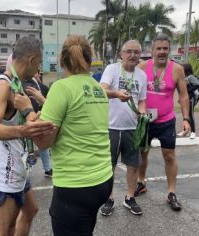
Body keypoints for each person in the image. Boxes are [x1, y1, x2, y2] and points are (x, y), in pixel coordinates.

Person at [30, 35, 113, 235]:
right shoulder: (98, 89)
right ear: (89, 59)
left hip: (75, 185)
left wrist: (28, 115)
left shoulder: (61, 87)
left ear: (61, 61)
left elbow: (43, 141)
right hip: (103, 179)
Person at [0, 36, 55, 235]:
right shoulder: (3, 85)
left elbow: (19, 118)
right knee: (6, 228)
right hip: (5, 173)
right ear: (32, 60)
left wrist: (32, 113)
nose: (39, 69)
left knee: (31, 210)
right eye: (39, 63)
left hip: (19, 166)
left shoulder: (15, 83)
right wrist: (22, 131)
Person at [136, 34, 190, 211]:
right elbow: (133, 90)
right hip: (145, 121)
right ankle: (141, 182)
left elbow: (183, 96)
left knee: (169, 155)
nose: (161, 52)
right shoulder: (142, 67)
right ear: (152, 50)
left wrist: (186, 119)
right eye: (158, 48)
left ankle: (171, 192)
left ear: (169, 50)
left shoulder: (177, 69)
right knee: (143, 153)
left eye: (165, 48)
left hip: (166, 121)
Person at [99, 40, 147, 216]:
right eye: (129, 51)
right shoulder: (112, 69)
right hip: (111, 127)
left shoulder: (142, 75)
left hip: (133, 128)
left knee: (133, 165)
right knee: (108, 165)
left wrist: (143, 113)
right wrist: (116, 94)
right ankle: (108, 198)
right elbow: (101, 90)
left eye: (136, 52)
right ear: (121, 53)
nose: (133, 55)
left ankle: (129, 197)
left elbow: (141, 100)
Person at [22, 69, 53, 177]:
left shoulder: (43, 87)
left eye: (36, 72)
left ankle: (47, 168)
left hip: (41, 118)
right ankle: (25, 171)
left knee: (43, 146)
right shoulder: (22, 84)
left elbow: (50, 101)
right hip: (26, 119)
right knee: (25, 147)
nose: (34, 74)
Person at [178, 64, 199, 139]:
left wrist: (187, 91)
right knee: (185, 115)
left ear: (186, 69)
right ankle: (185, 130)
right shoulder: (182, 77)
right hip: (184, 99)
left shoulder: (191, 77)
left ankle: (193, 132)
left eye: (182, 68)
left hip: (191, 98)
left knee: (190, 115)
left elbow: (197, 84)